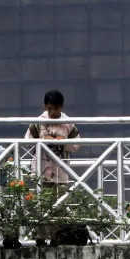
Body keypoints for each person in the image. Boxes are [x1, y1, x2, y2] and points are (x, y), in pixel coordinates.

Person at [25, 90, 81, 246]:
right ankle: (41, 237)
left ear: (61, 107)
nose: (52, 112)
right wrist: (44, 140)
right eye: (49, 109)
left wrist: (62, 142)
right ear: (45, 107)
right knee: (41, 203)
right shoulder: (38, 122)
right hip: (41, 170)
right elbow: (27, 141)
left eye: (55, 109)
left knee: (59, 204)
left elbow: (76, 144)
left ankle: (57, 236)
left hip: (61, 170)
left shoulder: (69, 123)